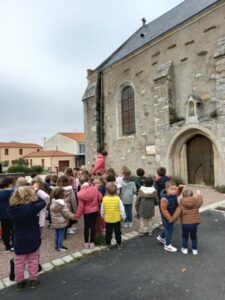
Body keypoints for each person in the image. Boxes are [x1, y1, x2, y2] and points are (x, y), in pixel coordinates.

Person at [8, 187, 46, 291]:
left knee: (19, 263)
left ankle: (19, 282)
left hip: (19, 239)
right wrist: (35, 193)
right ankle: (33, 280)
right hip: (33, 237)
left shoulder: (11, 209)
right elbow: (43, 202)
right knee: (33, 260)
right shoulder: (32, 207)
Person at [172, 189, 203, 255]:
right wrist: (199, 194)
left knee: (185, 236)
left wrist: (171, 220)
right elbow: (200, 201)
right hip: (194, 224)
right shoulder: (196, 203)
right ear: (192, 196)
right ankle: (194, 250)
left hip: (185, 224)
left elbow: (177, 214)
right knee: (194, 237)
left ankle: (185, 249)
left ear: (183, 197)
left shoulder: (181, 204)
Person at [75, 174, 103, 249]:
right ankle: (92, 243)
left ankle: (86, 243)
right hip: (95, 211)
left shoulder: (80, 193)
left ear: (80, 183)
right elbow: (100, 198)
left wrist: (77, 216)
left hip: (86, 213)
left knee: (87, 227)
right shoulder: (95, 189)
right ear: (88, 181)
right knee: (93, 226)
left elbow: (81, 207)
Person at [157, 180, 185, 252]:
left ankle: (161, 237)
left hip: (172, 216)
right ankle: (167, 245)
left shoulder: (173, 194)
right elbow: (164, 210)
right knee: (169, 230)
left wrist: (180, 188)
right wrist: (169, 218)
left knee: (168, 228)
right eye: (172, 189)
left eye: (175, 189)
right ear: (167, 190)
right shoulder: (164, 199)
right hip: (167, 217)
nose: (174, 191)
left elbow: (178, 193)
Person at [101, 183, 126, 250]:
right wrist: (123, 217)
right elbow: (122, 209)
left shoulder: (104, 199)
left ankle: (108, 245)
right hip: (117, 219)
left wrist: (102, 215)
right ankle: (119, 244)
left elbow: (102, 209)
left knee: (108, 233)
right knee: (117, 232)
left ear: (107, 191)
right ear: (116, 191)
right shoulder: (118, 199)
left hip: (108, 219)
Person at [0, 177, 15, 252]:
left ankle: (7, 247)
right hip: (12, 214)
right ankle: (13, 245)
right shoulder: (12, 192)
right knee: (14, 230)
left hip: (2, 215)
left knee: (5, 231)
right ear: (10, 184)